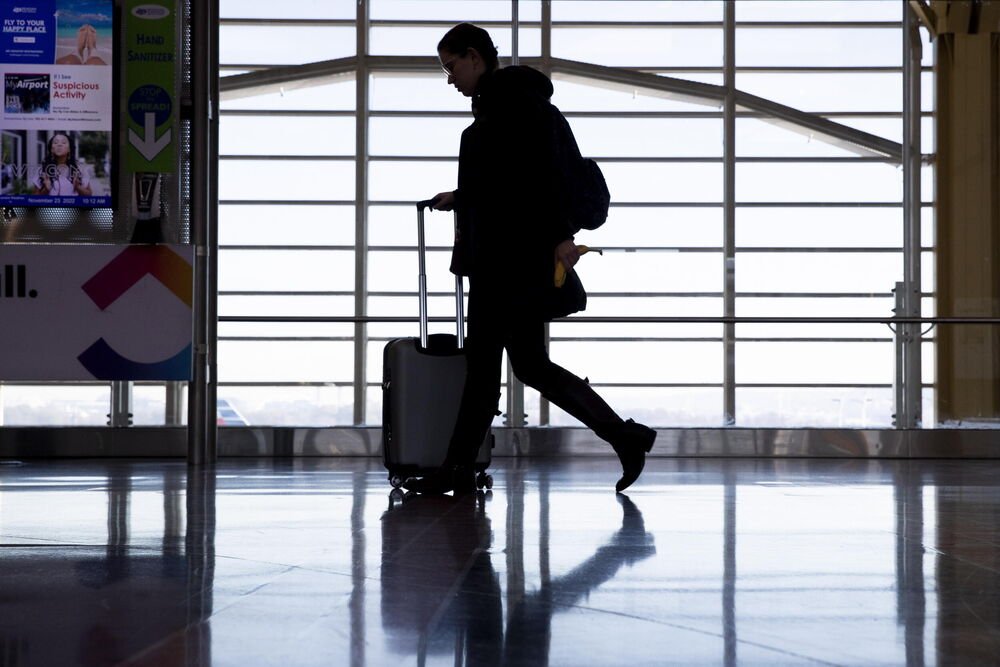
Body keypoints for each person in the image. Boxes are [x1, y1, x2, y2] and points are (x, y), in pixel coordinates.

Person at [405, 23, 656, 495]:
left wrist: (560, 234)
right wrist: (463, 197)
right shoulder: (506, 109)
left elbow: (542, 180)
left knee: (486, 370)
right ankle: (624, 436)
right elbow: (509, 182)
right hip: (510, 257)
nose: (450, 79)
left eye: (452, 66)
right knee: (528, 365)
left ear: (476, 57)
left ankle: (454, 470)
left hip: (509, 260)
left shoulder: (513, 107)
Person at [34, 132, 93, 197]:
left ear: (69, 149)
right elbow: (34, 198)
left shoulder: (79, 169)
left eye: (64, 142)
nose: (59, 144)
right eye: (55, 142)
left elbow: (89, 194)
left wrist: (78, 187)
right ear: (51, 149)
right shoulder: (42, 170)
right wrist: (46, 189)